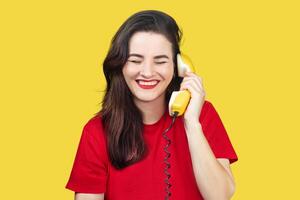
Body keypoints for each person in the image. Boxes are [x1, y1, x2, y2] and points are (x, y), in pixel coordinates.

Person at [65, 10, 238, 200]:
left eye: (160, 61)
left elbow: (220, 196)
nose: (147, 72)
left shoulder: (202, 114)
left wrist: (192, 124)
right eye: (135, 60)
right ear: (120, 64)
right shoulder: (96, 132)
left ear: (178, 66)